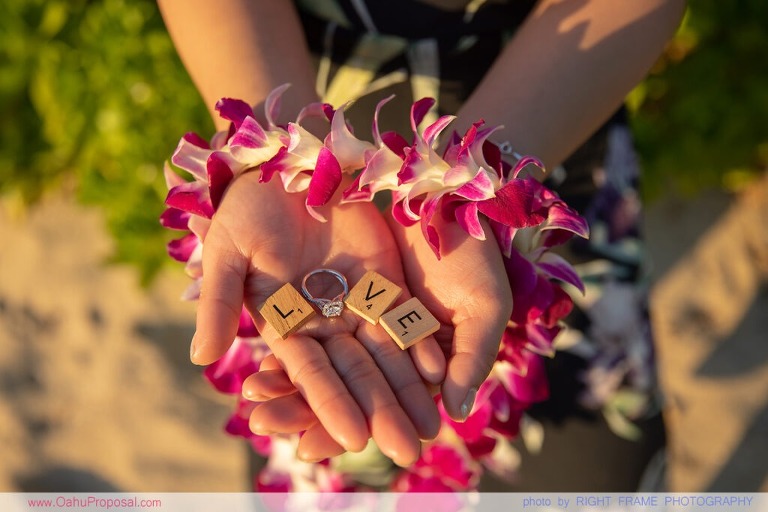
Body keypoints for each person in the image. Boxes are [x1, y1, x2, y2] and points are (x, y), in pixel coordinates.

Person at [158, 0, 686, 471]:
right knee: (323, 437)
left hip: (548, 114)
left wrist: (467, 190)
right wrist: (277, 156)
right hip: (294, 92)